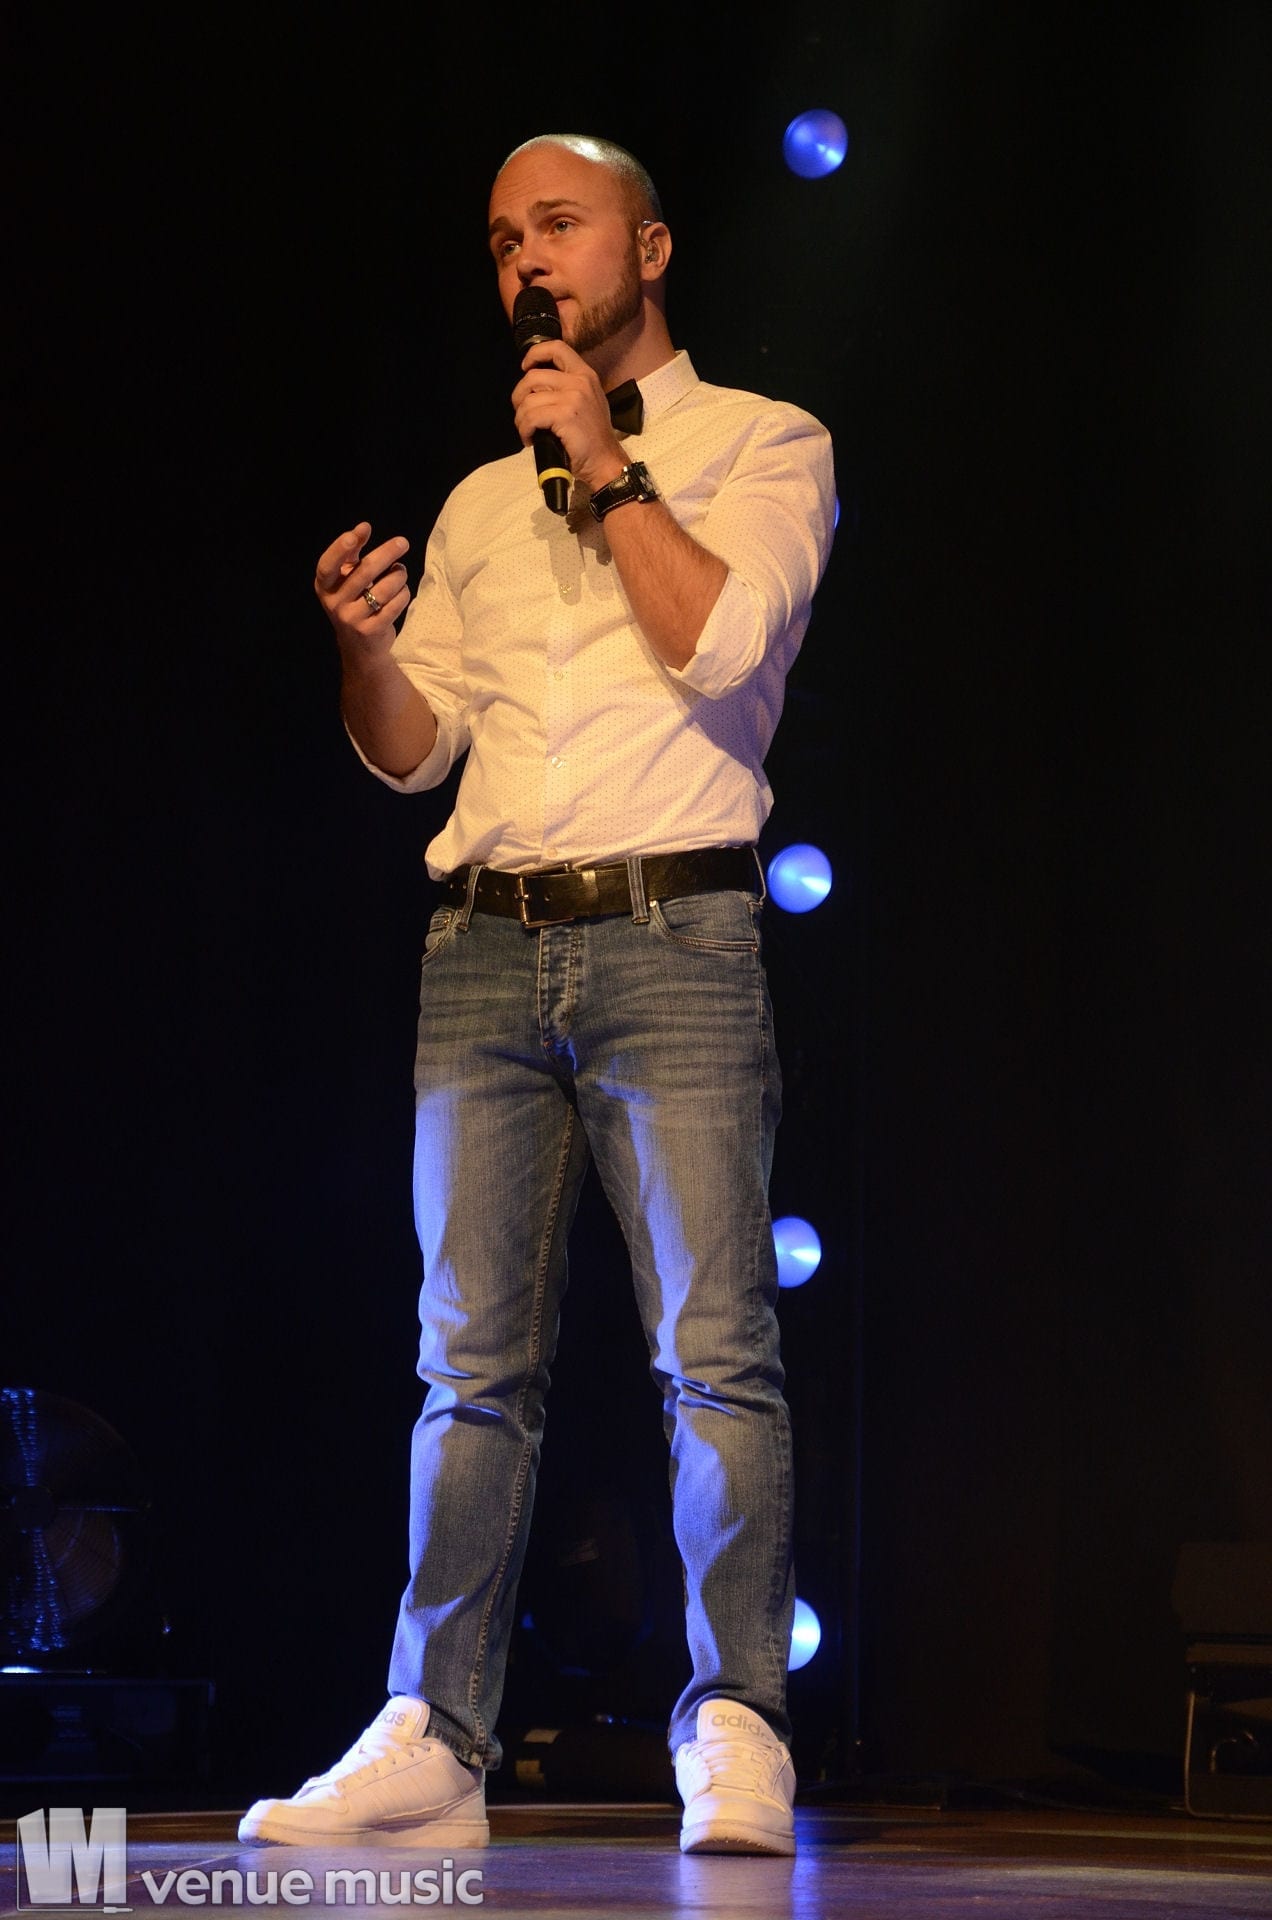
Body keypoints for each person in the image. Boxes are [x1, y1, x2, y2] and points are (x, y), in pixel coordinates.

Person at [239, 132, 834, 1858]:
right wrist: (365, 650)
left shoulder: (767, 443)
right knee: (467, 1367)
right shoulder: (481, 503)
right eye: (504, 239)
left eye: (558, 226)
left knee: (714, 1352)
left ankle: (737, 1722)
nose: (525, 263)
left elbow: (722, 644)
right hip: (483, 949)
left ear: (650, 246)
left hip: (676, 933)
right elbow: (410, 754)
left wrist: (608, 464)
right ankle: (435, 1736)